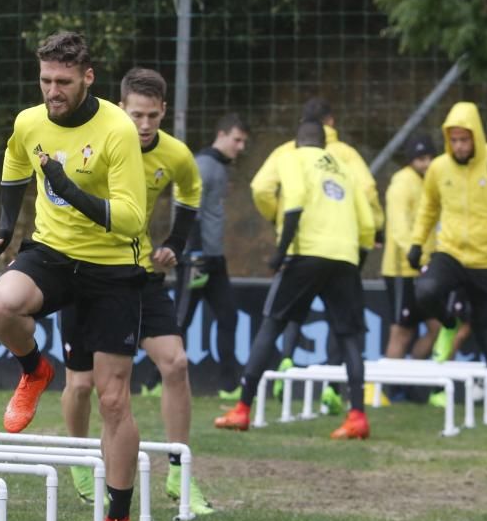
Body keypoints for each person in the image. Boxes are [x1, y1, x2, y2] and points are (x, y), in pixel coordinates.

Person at [0, 32, 146, 521]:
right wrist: (7, 226)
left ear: (88, 78)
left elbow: (133, 220)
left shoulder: (117, 128)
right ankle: (34, 369)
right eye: (47, 80)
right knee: (0, 304)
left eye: (64, 82)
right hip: (53, 254)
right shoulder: (30, 121)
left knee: (112, 398)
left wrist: (69, 189)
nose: (53, 91)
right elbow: (12, 161)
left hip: (114, 266)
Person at [57, 67, 212, 516]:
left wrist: (175, 244)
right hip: (87, 272)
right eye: (136, 115)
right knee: (81, 384)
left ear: (164, 111)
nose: (144, 125)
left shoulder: (176, 154)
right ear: (121, 108)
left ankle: (180, 469)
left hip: (139, 274)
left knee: (176, 362)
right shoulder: (102, 140)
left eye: (152, 116)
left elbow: (190, 191)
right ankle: (81, 459)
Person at [215, 120, 375, 438]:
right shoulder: (344, 168)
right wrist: (356, 260)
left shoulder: (291, 157)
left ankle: (243, 409)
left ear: (298, 141)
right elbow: (368, 223)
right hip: (345, 256)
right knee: (348, 338)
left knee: (272, 324)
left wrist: (281, 247)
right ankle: (357, 415)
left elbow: (286, 197)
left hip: (307, 254)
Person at [251, 98, 383, 412]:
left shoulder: (289, 152)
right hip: (344, 250)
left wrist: (277, 217)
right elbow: (368, 196)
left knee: (282, 317)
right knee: (345, 330)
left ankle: (282, 364)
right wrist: (370, 235)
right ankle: (338, 396)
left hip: (303, 246)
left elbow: (261, 188)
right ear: (331, 123)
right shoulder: (347, 157)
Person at [407, 102, 487, 430]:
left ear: (476, 138)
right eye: (453, 140)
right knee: (425, 290)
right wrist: (416, 242)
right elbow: (428, 207)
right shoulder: (439, 168)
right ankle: (448, 323)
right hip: (450, 252)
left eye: (464, 140)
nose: (458, 146)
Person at [157, 113, 248, 403]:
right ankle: (154, 380)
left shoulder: (219, 167)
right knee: (179, 321)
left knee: (228, 316)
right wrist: (192, 252)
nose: (241, 146)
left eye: (244, 141)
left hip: (214, 258)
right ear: (220, 135)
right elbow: (188, 211)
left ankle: (230, 384)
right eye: (237, 139)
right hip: (196, 258)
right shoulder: (203, 166)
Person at [381, 134, 441, 371]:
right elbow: (399, 226)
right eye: (420, 159)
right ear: (410, 161)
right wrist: (412, 253)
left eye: (429, 158)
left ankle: (412, 379)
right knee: (401, 331)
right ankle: (383, 390)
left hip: (426, 268)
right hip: (402, 270)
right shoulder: (401, 183)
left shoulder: (432, 182)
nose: (426, 163)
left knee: (438, 327)